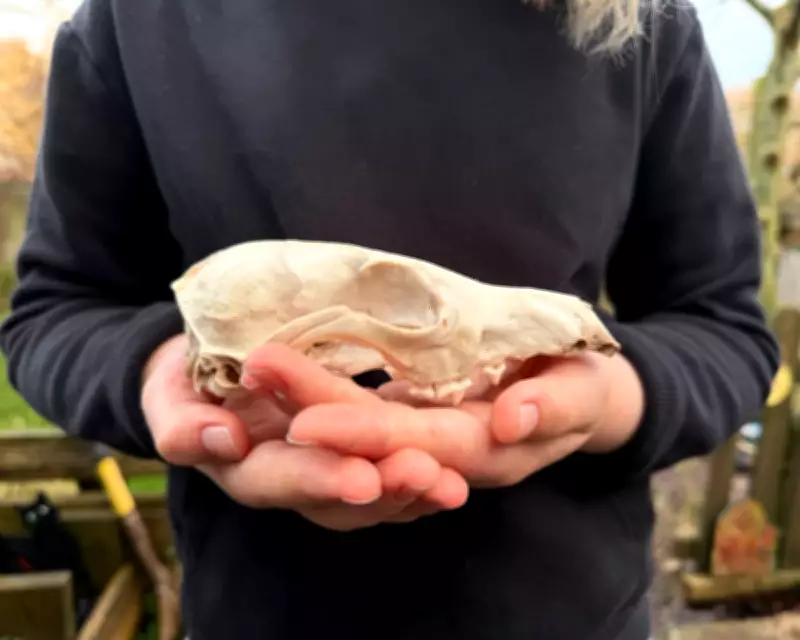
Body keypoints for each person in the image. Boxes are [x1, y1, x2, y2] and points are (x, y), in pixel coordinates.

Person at [0, 0, 779, 638]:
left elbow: (725, 328)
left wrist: (611, 398)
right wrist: (155, 375)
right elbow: (56, 312)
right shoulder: (133, 24)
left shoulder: (648, 27)